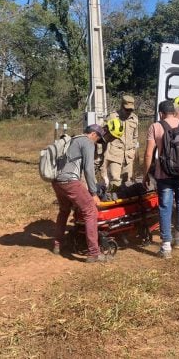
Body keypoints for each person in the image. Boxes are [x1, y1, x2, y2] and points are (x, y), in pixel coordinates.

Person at [143, 100, 179, 259]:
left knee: (165, 207)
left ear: (161, 113)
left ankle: (166, 247)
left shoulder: (155, 127)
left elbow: (149, 154)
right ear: (175, 112)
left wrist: (145, 175)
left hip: (164, 175)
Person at [52, 124, 109, 263]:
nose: (97, 143)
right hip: (70, 181)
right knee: (90, 210)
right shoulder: (88, 142)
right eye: (98, 139)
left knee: (64, 210)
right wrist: (93, 192)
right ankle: (94, 253)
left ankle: (57, 244)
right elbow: (89, 169)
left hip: (56, 181)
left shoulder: (72, 139)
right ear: (94, 135)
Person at [102, 95, 139, 188]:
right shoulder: (112, 117)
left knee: (127, 181)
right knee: (115, 181)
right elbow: (103, 135)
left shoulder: (134, 119)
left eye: (131, 110)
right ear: (122, 106)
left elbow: (135, 136)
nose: (129, 112)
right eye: (127, 110)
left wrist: (133, 150)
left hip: (129, 156)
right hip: (114, 154)